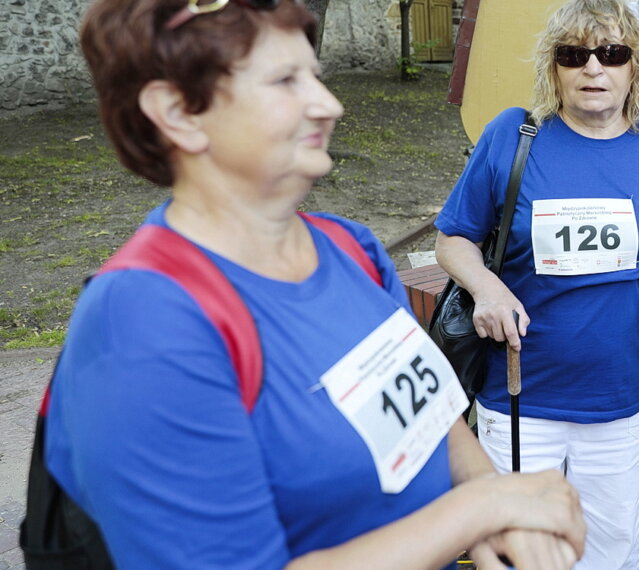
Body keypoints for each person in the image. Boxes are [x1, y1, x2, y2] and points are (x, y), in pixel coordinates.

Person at [43, 0, 586, 568]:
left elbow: (432, 420)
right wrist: (480, 509)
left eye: (316, 77)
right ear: (177, 111)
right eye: (284, 80)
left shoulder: (351, 249)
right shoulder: (141, 321)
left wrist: (488, 500)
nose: (329, 105)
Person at [433, 0, 639, 568]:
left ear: (634, 66)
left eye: (611, 53)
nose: (593, 69)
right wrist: (487, 288)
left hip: (619, 400)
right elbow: (453, 239)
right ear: (553, 66)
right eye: (573, 54)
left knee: (609, 556)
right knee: (516, 555)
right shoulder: (514, 136)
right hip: (519, 395)